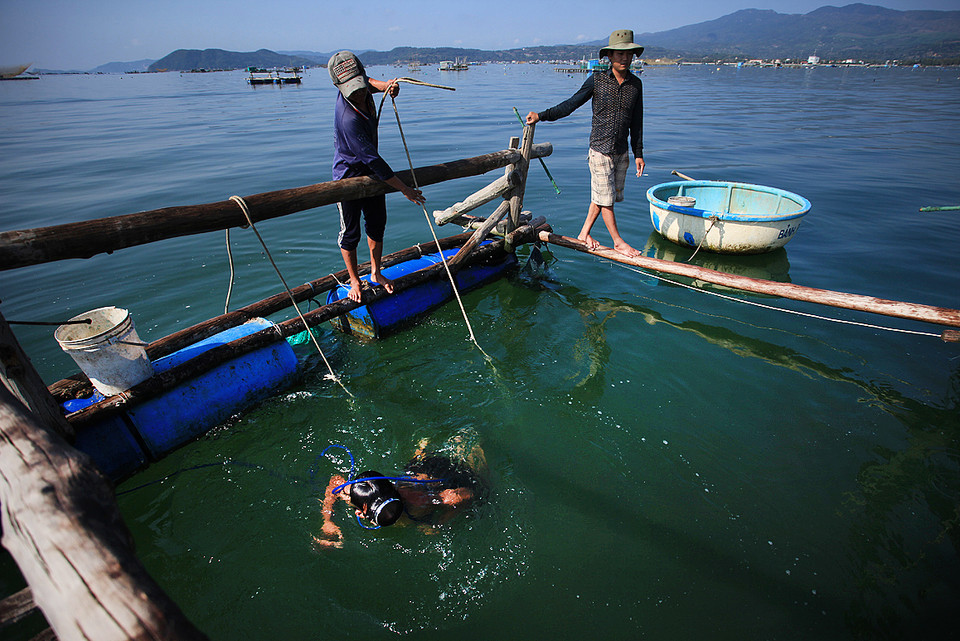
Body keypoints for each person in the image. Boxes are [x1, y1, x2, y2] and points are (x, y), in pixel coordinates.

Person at [526, 29, 646, 258]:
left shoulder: (636, 85)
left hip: (621, 151)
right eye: (619, 54)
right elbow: (570, 105)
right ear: (609, 56)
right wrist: (541, 115)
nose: (624, 58)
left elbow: (637, 121)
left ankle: (584, 233)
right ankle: (618, 241)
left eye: (629, 54)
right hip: (599, 149)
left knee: (603, 197)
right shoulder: (598, 80)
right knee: (607, 198)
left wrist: (638, 153)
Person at [329, 50, 426, 303]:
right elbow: (374, 161)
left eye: (360, 86)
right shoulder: (348, 118)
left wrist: (386, 86)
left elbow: (368, 82)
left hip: (372, 175)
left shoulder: (362, 84)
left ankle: (375, 272)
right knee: (350, 233)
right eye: (353, 90)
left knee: (377, 223)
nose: (360, 93)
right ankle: (354, 279)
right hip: (349, 176)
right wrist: (405, 189)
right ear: (340, 88)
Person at [314, 434, 488, 548]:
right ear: (359, 512)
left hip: (436, 474)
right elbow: (334, 483)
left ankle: (470, 443)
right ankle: (423, 447)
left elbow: (467, 494)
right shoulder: (351, 494)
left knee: (480, 478)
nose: (391, 515)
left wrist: (439, 524)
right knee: (414, 464)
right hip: (413, 473)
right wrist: (327, 520)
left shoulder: (418, 502)